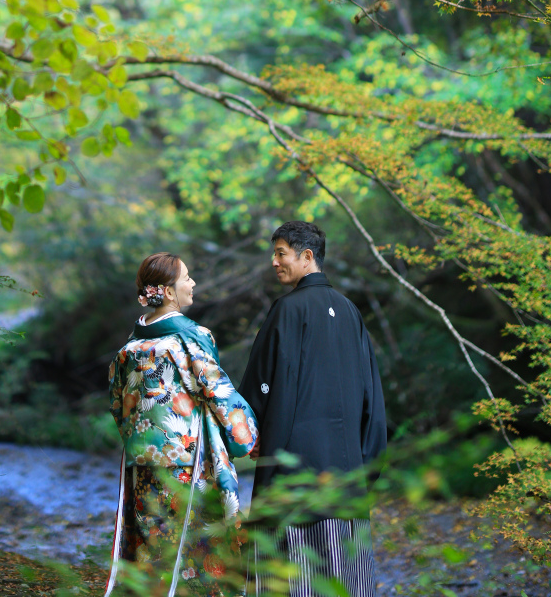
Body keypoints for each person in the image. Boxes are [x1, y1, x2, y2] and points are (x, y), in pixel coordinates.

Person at [238, 221, 387, 597]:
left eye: (280, 253)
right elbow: (373, 396)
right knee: (346, 579)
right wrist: (367, 464)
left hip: (294, 475)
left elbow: (258, 388)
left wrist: (248, 436)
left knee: (294, 579)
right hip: (347, 473)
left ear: (307, 257)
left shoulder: (286, 311)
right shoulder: (350, 311)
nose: (274, 262)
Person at [106, 252, 258, 597]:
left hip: (143, 465)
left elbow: (119, 408)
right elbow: (219, 393)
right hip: (189, 463)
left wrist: (144, 441)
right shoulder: (190, 338)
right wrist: (248, 436)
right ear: (169, 292)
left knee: (154, 546)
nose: (192, 284)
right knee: (198, 548)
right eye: (186, 278)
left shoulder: (127, 350)